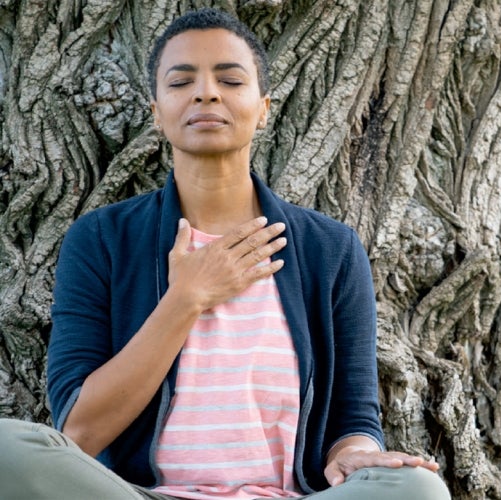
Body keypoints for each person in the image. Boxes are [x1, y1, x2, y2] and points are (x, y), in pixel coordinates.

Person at [0, 8, 451, 500]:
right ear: (157, 111)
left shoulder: (329, 249)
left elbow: (353, 417)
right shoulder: (102, 239)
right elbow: (81, 433)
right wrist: (186, 298)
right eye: (181, 81)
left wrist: (355, 454)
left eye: (231, 79)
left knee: (417, 489)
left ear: (263, 108)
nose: (206, 92)